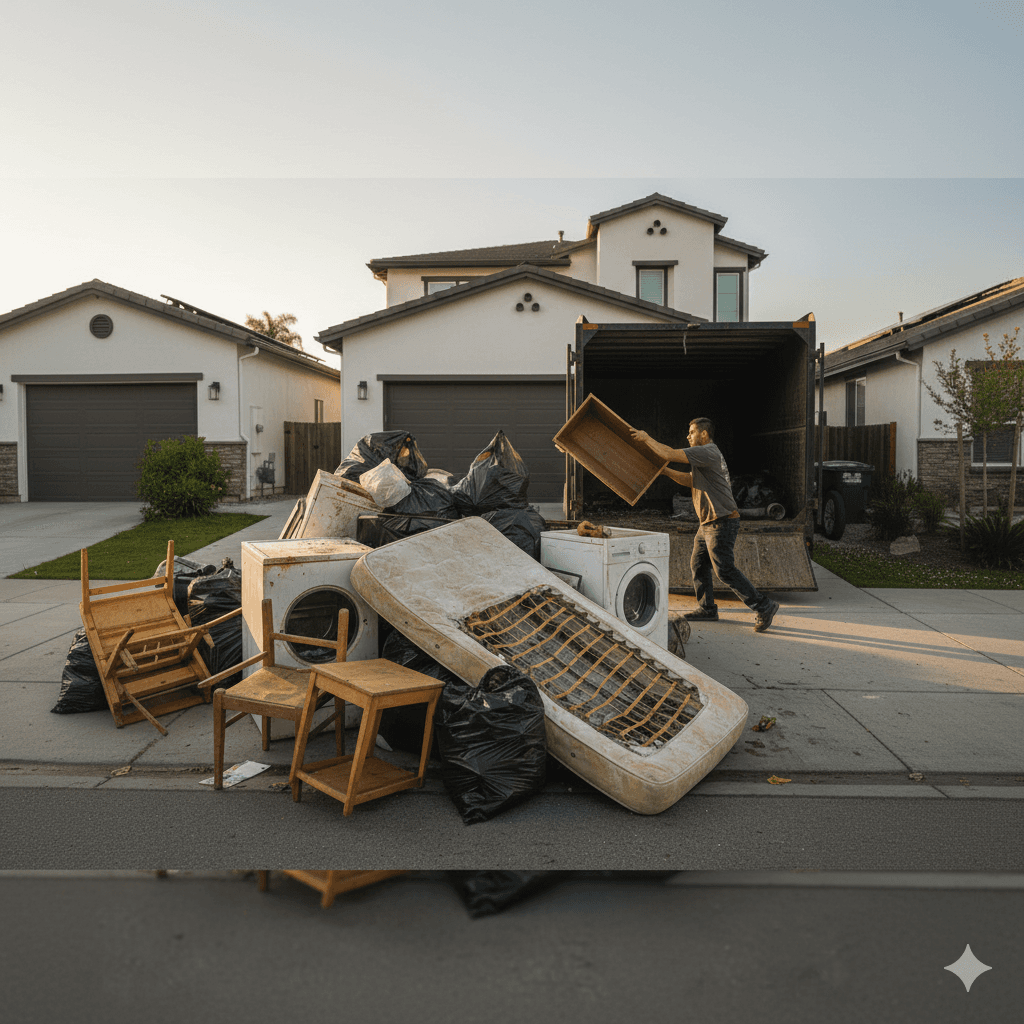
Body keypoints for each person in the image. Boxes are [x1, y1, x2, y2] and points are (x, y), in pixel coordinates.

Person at [630, 417, 780, 632]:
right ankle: (707, 608)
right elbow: (690, 480)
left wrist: (646, 438)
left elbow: (668, 453)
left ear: (704, 434)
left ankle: (763, 605)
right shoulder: (705, 458)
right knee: (698, 564)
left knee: (724, 570)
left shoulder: (707, 451)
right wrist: (665, 472)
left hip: (721, 521)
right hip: (708, 523)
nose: (688, 436)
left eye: (691, 432)